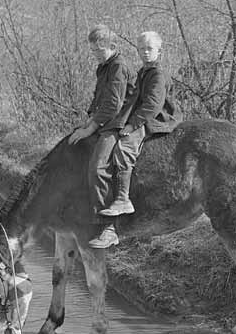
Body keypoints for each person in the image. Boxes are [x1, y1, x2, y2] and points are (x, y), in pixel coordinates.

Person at [95, 31, 182, 243]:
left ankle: (123, 198)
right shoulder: (144, 71)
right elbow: (134, 99)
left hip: (157, 118)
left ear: (159, 51)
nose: (145, 52)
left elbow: (152, 105)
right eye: (141, 48)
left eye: (149, 48)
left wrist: (132, 125)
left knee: (125, 146)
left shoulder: (157, 74)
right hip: (144, 115)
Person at [67, 24, 132, 248]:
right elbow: (99, 99)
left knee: (98, 167)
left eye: (98, 50)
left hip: (118, 122)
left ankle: (108, 227)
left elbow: (113, 105)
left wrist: (91, 127)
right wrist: (87, 121)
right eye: (93, 50)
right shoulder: (104, 66)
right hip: (105, 119)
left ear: (112, 46)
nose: (95, 54)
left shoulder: (118, 67)